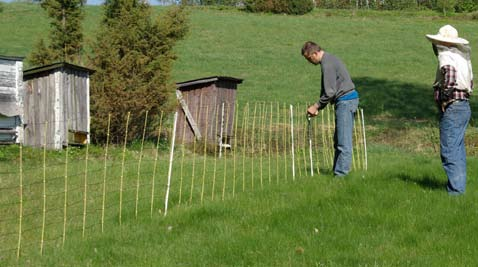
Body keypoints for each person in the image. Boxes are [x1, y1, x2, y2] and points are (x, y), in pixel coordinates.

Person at [426, 25, 473, 195]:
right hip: (464, 105)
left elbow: (450, 75)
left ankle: (455, 191)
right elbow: (471, 82)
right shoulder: (463, 56)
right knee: (457, 147)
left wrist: (445, 98)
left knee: (449, 149)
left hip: (453, 106)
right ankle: (458, 188)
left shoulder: (446, 55)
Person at [302, 41, 359, 177]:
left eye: (309, 58)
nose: (310, 62)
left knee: (343, 142)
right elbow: (327, 90)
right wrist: (319, 107)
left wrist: (316, 106)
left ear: (315, 53)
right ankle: (337, 173)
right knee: (339, 140)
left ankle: (340, 177)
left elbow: (330, 92)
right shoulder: (329, 59)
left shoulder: (327, 64)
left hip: (345, 101)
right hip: (346, 101)